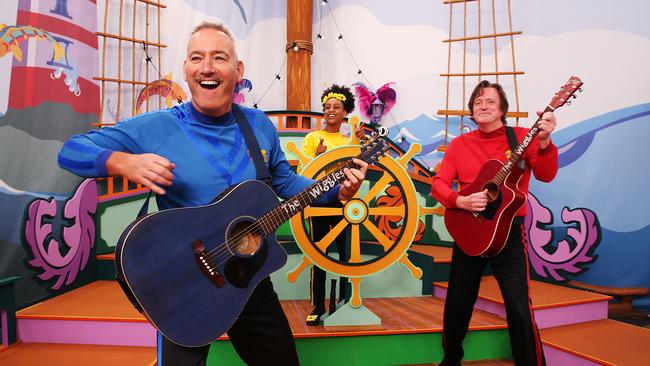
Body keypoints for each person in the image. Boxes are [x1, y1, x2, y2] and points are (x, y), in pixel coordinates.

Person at [58, 22, 367, 366]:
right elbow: (70, 151)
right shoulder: (158, 126)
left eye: (219, 57)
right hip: (183, 286)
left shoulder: (258, 126)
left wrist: (336, 190)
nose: (206, 67)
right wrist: (120, 161)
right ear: (187, 71)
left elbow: (286, 183)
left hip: (247, 279)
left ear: (237, 71)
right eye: (196, 58)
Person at [430, 80, 558, 366]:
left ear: (503, 109)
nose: (483, 106)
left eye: (490, 101)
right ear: (471, 111)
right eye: (478, 102)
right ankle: (450, 360)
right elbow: (438, 183)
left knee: (518, 306)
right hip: (470, 230)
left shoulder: (524, 137)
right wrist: (459, 201)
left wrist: (546, 142)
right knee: (458, 303)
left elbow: (547, 175)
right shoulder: (460, 144)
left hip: (509, 234)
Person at [300, 84, 365, 325]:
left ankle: (346, 302)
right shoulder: (311, 138)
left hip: (344, 204)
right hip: (318, 204)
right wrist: (316, 157)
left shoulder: (349, 141)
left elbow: (358, 170)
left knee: (345, 255)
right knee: (319, 255)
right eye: (327, 107)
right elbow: (302, 172)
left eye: (336, 107)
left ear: (344, 112)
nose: (330, 110)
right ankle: (317, 306)